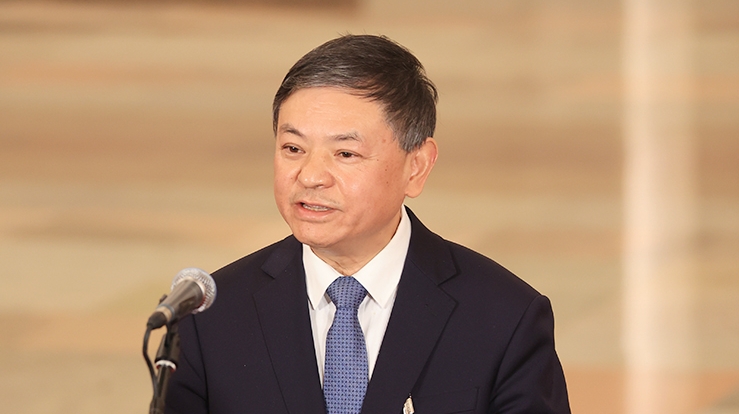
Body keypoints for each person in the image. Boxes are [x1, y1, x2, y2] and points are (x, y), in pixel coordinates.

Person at [164, 34, 570, 414]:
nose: (310, 176)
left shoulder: (504, 318)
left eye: (345, 153)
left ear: (417, 166)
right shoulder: (210, 318)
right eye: (293, 148)